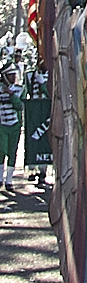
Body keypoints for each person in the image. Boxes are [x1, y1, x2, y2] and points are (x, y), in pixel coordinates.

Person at [0, 64, 23, 193]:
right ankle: (0, 178)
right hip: (2, 125)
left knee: (12, 152)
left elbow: (19, 106)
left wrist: (11, 94)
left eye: (14, 75)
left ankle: (9, 181)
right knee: (1, 151)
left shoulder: (18, 89)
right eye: (10, 75)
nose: (13, 77)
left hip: (14, 125)